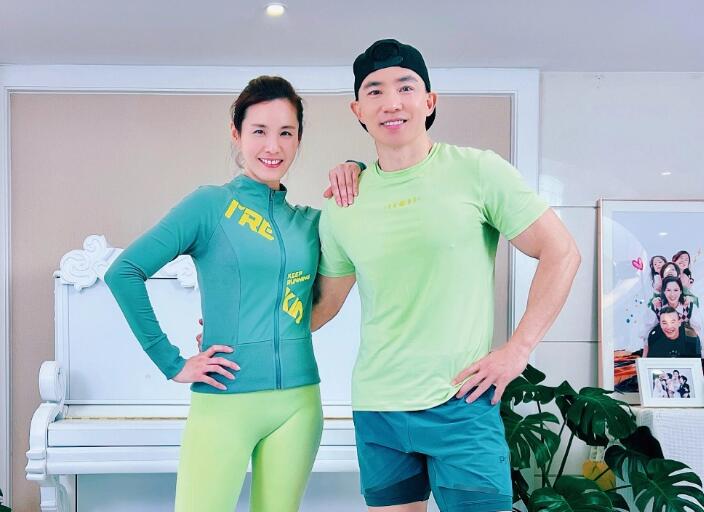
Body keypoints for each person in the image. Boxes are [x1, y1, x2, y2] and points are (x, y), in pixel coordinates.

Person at [311, 39, 581, 512]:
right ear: (358, 110)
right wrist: (242, 333)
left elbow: (562, 252)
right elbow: (324, 306)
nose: (391, 102)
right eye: (374, 91)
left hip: (461, 402)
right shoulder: (344, 202)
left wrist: (518, 350)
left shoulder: (477, 171)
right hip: (378, 407)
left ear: (430, 101)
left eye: (405, 87)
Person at [104, 75, 362, 512]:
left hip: (299, 405)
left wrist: (355, 167)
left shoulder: (309, 223)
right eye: (259, 131)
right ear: (236, 133)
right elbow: (124, 272)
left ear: (299, 139)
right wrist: (172, 363)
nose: (273, 146)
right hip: (224, 403)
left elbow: (364, 211)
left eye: (286, 133)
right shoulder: (210, 205)